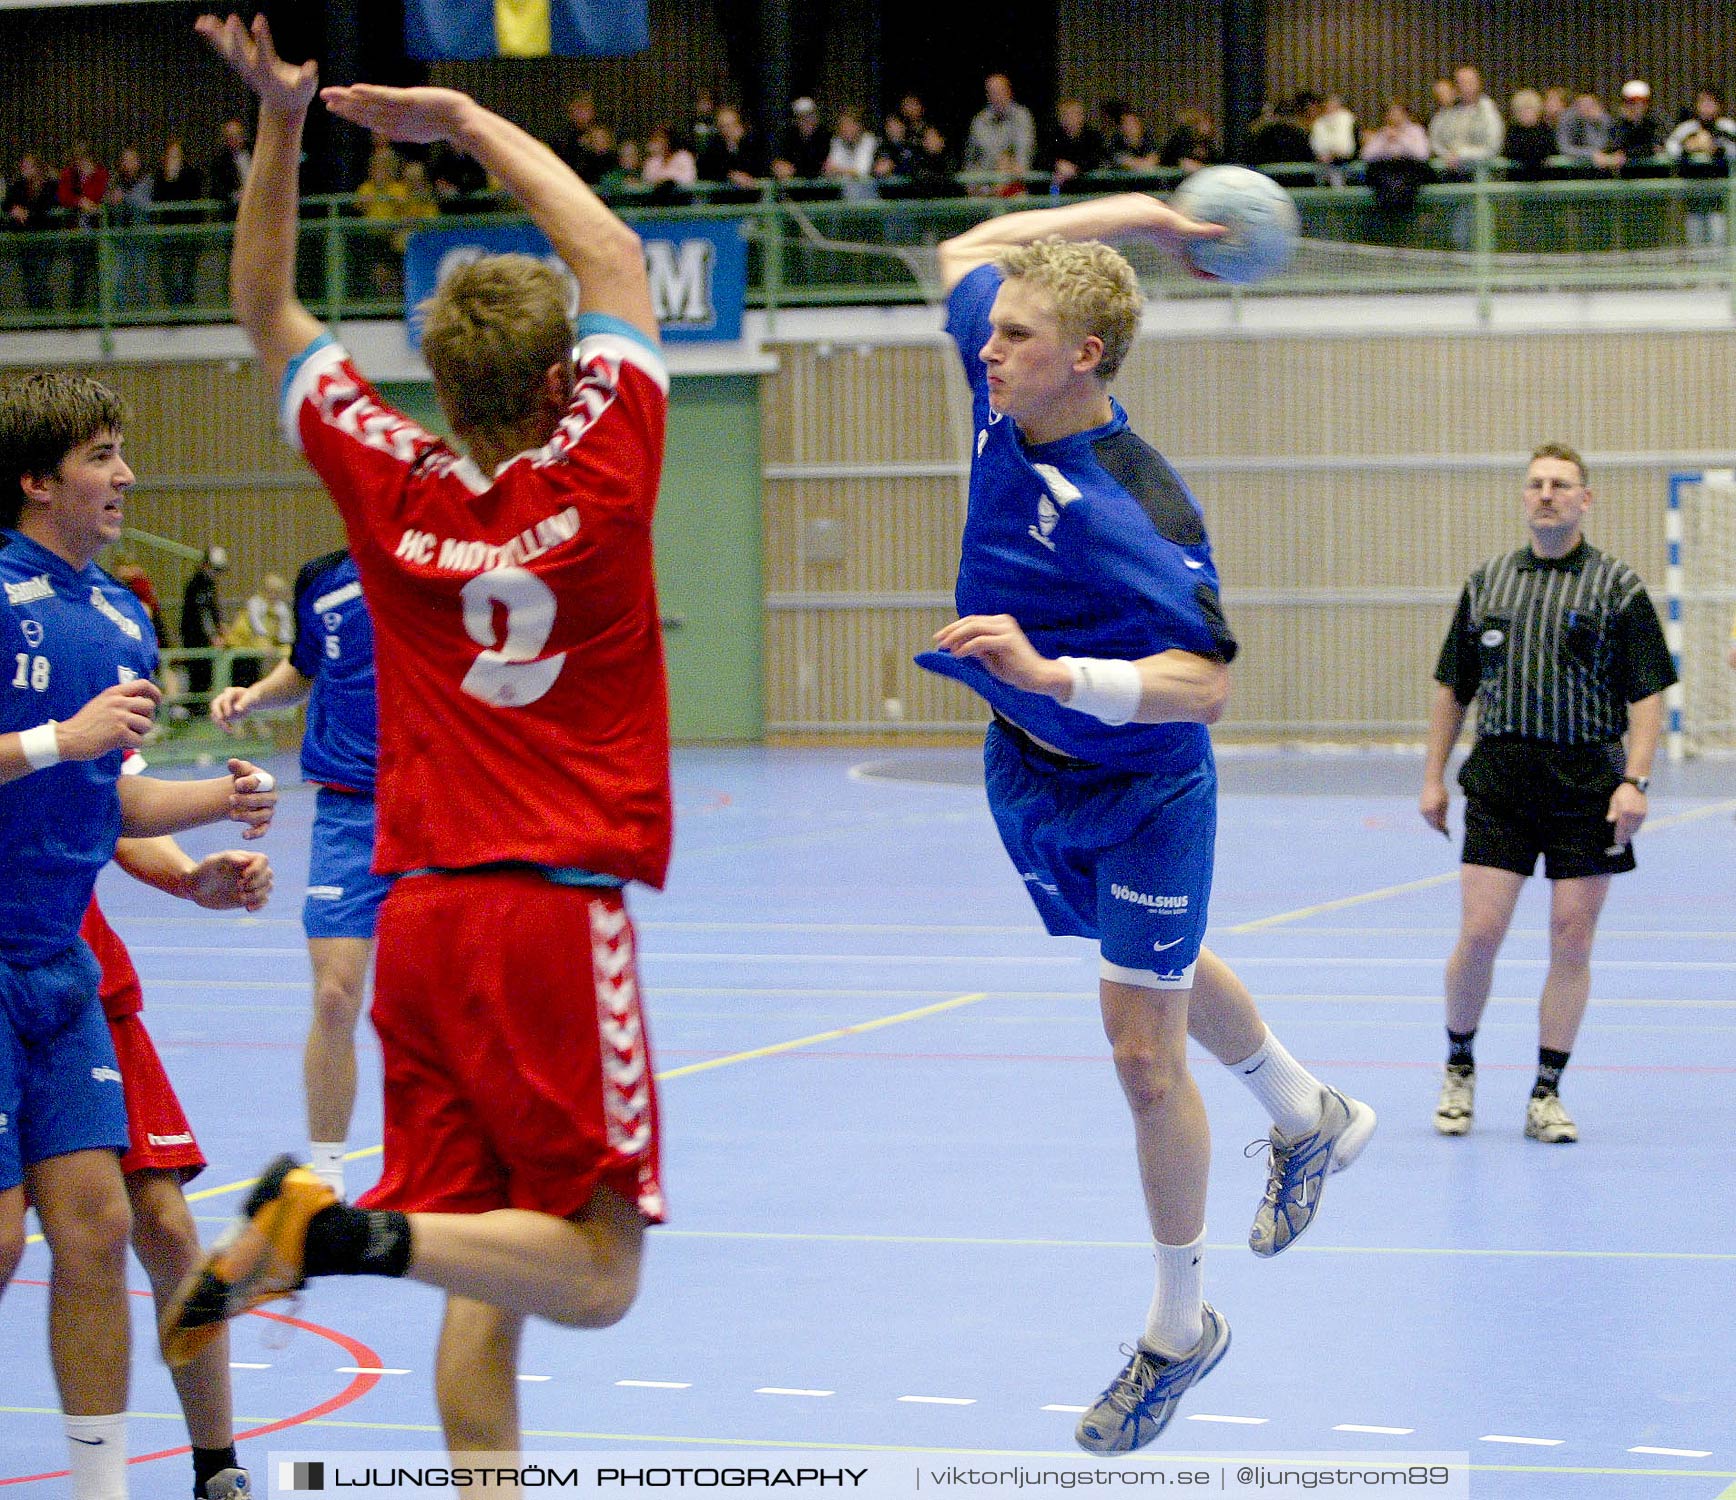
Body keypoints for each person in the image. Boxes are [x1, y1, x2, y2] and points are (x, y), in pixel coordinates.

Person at [166, 14, 672, 1460]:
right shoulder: (615, 457)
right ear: (565, 371)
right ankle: (339, 1233)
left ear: (438, 388)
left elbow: (265, 308)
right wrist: (459, 119)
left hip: (423, 918)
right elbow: (617, 258)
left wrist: (280, 122)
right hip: (550, 917)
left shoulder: (391, 484)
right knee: (599, 1271)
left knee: (489, 1259)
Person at [921, 195, 1375, 1454]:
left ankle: (1179, 1327)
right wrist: (1146, 216)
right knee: (1153, 977)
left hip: (1144, 785)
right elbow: (969, 248)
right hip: (1030, 767)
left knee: (1139, 1051)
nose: (984, 347)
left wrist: (1052, 671)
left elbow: (1208, 683)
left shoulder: (1137, 510)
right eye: (991, 332)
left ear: (1084, 358)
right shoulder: (1002, 396)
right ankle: (1308, 1114)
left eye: (1013, 334)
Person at [0, 367, 278, 1500]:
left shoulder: (121, 617)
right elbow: (64, 757)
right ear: (34, 479)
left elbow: (111, 797)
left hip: (60, 962)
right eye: (101, 457)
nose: (124, 476)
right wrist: (53, 740)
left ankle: (103, 1488)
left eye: (121, 453)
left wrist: (217, 811)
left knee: (105, 1229)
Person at [1421, 444, 1676, 1145]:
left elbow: (1648, 692)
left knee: (1571, 936)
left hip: (1588, 783)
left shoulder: (1617, 588)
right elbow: (1454, 687)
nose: (1546, 495)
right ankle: (1460, 1065)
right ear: (1523, 496)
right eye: (1535, 484)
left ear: (1585, 499)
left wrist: (1636, 781)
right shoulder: (1488, 583)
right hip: (1502, 776)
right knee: (1479, 935)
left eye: (1561, 485)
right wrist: (1432, 776)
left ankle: (1546, 1090)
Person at [91, 830, 271, 1500]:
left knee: (166, 1228)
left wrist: (193, 877)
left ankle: (216, 1466)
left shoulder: (78, 724)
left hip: (78, 980)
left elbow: (118, 796)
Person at [210, 548, 383, 1199]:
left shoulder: (443, 566)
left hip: (435, 807)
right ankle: (327, 1187)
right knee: (335, 997)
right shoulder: (323, 578)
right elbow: (305, 667)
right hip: (348, 813)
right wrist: (254, 697)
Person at [961, 73, 1037, 180]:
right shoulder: (980, 120)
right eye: (992, 92)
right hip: (984, 179)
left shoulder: (1022, 115)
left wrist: (1013, 167)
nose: (997, 96)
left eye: (1001, 90)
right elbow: (972, 156)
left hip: (1014, 178)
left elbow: (1024, 150)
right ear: (987, 95)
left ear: (1009, 91)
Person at [180, 544, 228, 699]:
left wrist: (220, 625)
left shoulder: (209, 584)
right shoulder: (197, 584)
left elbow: (212, 609)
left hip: (203, 636)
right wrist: (213, 635)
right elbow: (202, 614)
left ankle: (201, 705)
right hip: (195, 636)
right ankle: (194, 707)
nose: (216, 574)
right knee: (198, 672)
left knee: (206, 672)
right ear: (205, 565)